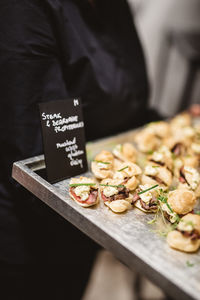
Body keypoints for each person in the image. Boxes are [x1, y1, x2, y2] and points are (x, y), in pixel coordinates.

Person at [0, 0, 159, 299]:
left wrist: (179, 127)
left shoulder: (114, 7)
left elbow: (128, 107)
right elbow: (47, 151)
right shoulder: (24, 9)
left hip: (83, 218)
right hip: (32, 231)